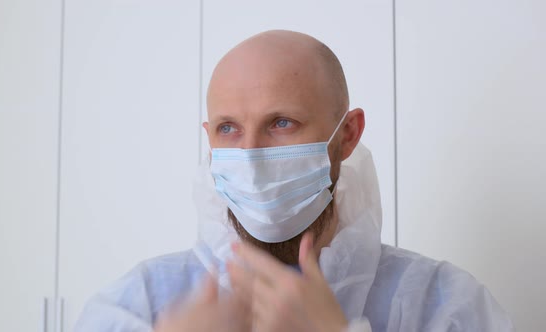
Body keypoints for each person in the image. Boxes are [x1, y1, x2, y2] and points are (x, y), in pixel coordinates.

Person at [75, 30, 513, 332]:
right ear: (209, 141)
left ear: (347, 134)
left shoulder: (443, 307)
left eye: (281, 123)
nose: (250, 155)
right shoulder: (140, 305)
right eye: (229, 128)